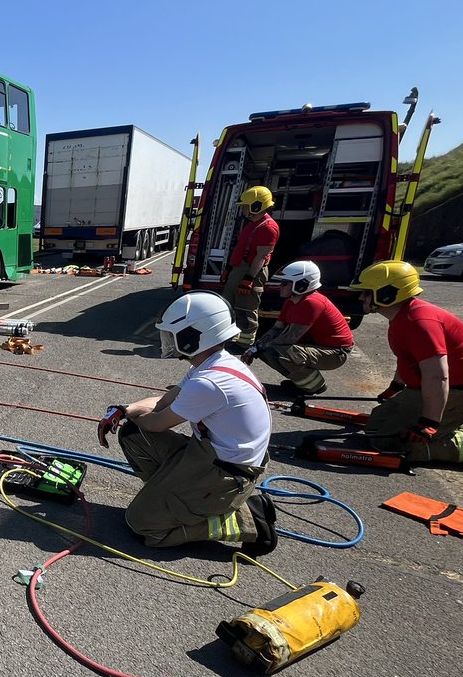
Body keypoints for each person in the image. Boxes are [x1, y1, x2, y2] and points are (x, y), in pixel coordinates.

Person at [96, 291, 277, 554]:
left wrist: (135, 415)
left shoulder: (210, 383)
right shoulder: (212, 364)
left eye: (173, 334)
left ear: (194, 336)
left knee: (142, 525)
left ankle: (248, 520)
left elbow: (158, 422)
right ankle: (172, 500)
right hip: (210, 456)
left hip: (227, 473)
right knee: (133, 433)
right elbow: (165, 400)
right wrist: (125, 410)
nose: (168, 340)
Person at [348, 260, 463, 465]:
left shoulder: (420, 323)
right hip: (434, 389)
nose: (361, 297)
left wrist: (429, 422)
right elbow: (407, 357)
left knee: (394, 444)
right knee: (376, 427)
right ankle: (462, 419)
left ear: (387, 294)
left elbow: (437, 376)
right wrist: (395, 387)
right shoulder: (402, 316)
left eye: (367, 292)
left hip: (462, 392)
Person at [241, 260, 354, 395]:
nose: (280, 287)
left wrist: (261, 347)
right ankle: (302, 383)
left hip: (336, 353)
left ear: (301, 285)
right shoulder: (291, 302)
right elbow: (276, 329)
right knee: (267, 350)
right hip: (323, 347)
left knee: (277, 351)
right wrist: (255, 348)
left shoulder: (311, 303)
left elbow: (289, 338)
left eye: (284, 283)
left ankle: (315, 386)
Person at [221, 185, 280, 349]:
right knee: (229, 303)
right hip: (240, 268)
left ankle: (245, 344)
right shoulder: (253, 224)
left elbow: (260, 256)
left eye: (246, 206)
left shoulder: (268, 227)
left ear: (256, 206)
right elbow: (241, 247)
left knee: (246, 307)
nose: (243, 210)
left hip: (251, 270)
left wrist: (249, 279)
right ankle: (233, 337)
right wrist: (229, 268)